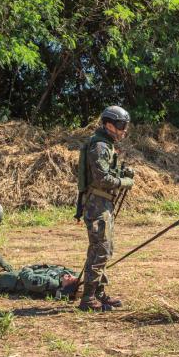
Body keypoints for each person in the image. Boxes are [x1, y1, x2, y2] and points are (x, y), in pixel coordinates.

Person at [77, 105, 135, 311]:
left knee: (104, 248)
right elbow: (102, 178)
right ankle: (88, 298)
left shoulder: (106, 145)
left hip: (102, 203)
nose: (123, 130)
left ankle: (98, 293)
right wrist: (124, 181)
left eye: (125, 125)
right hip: (97, 204)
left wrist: (122, 172)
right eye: (120, 125)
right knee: (100, 250)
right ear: (108, 124)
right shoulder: (100, 146)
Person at [0, 261, 83, 302]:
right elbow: (62, 269)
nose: (70, 276)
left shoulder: (50, 283)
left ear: (65, 288)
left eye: (71, 281)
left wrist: (28, 268)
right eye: (73, 277)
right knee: (2, 277)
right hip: (23, 276)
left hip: (14, 282)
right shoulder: (65, 278)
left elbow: (27, 279)